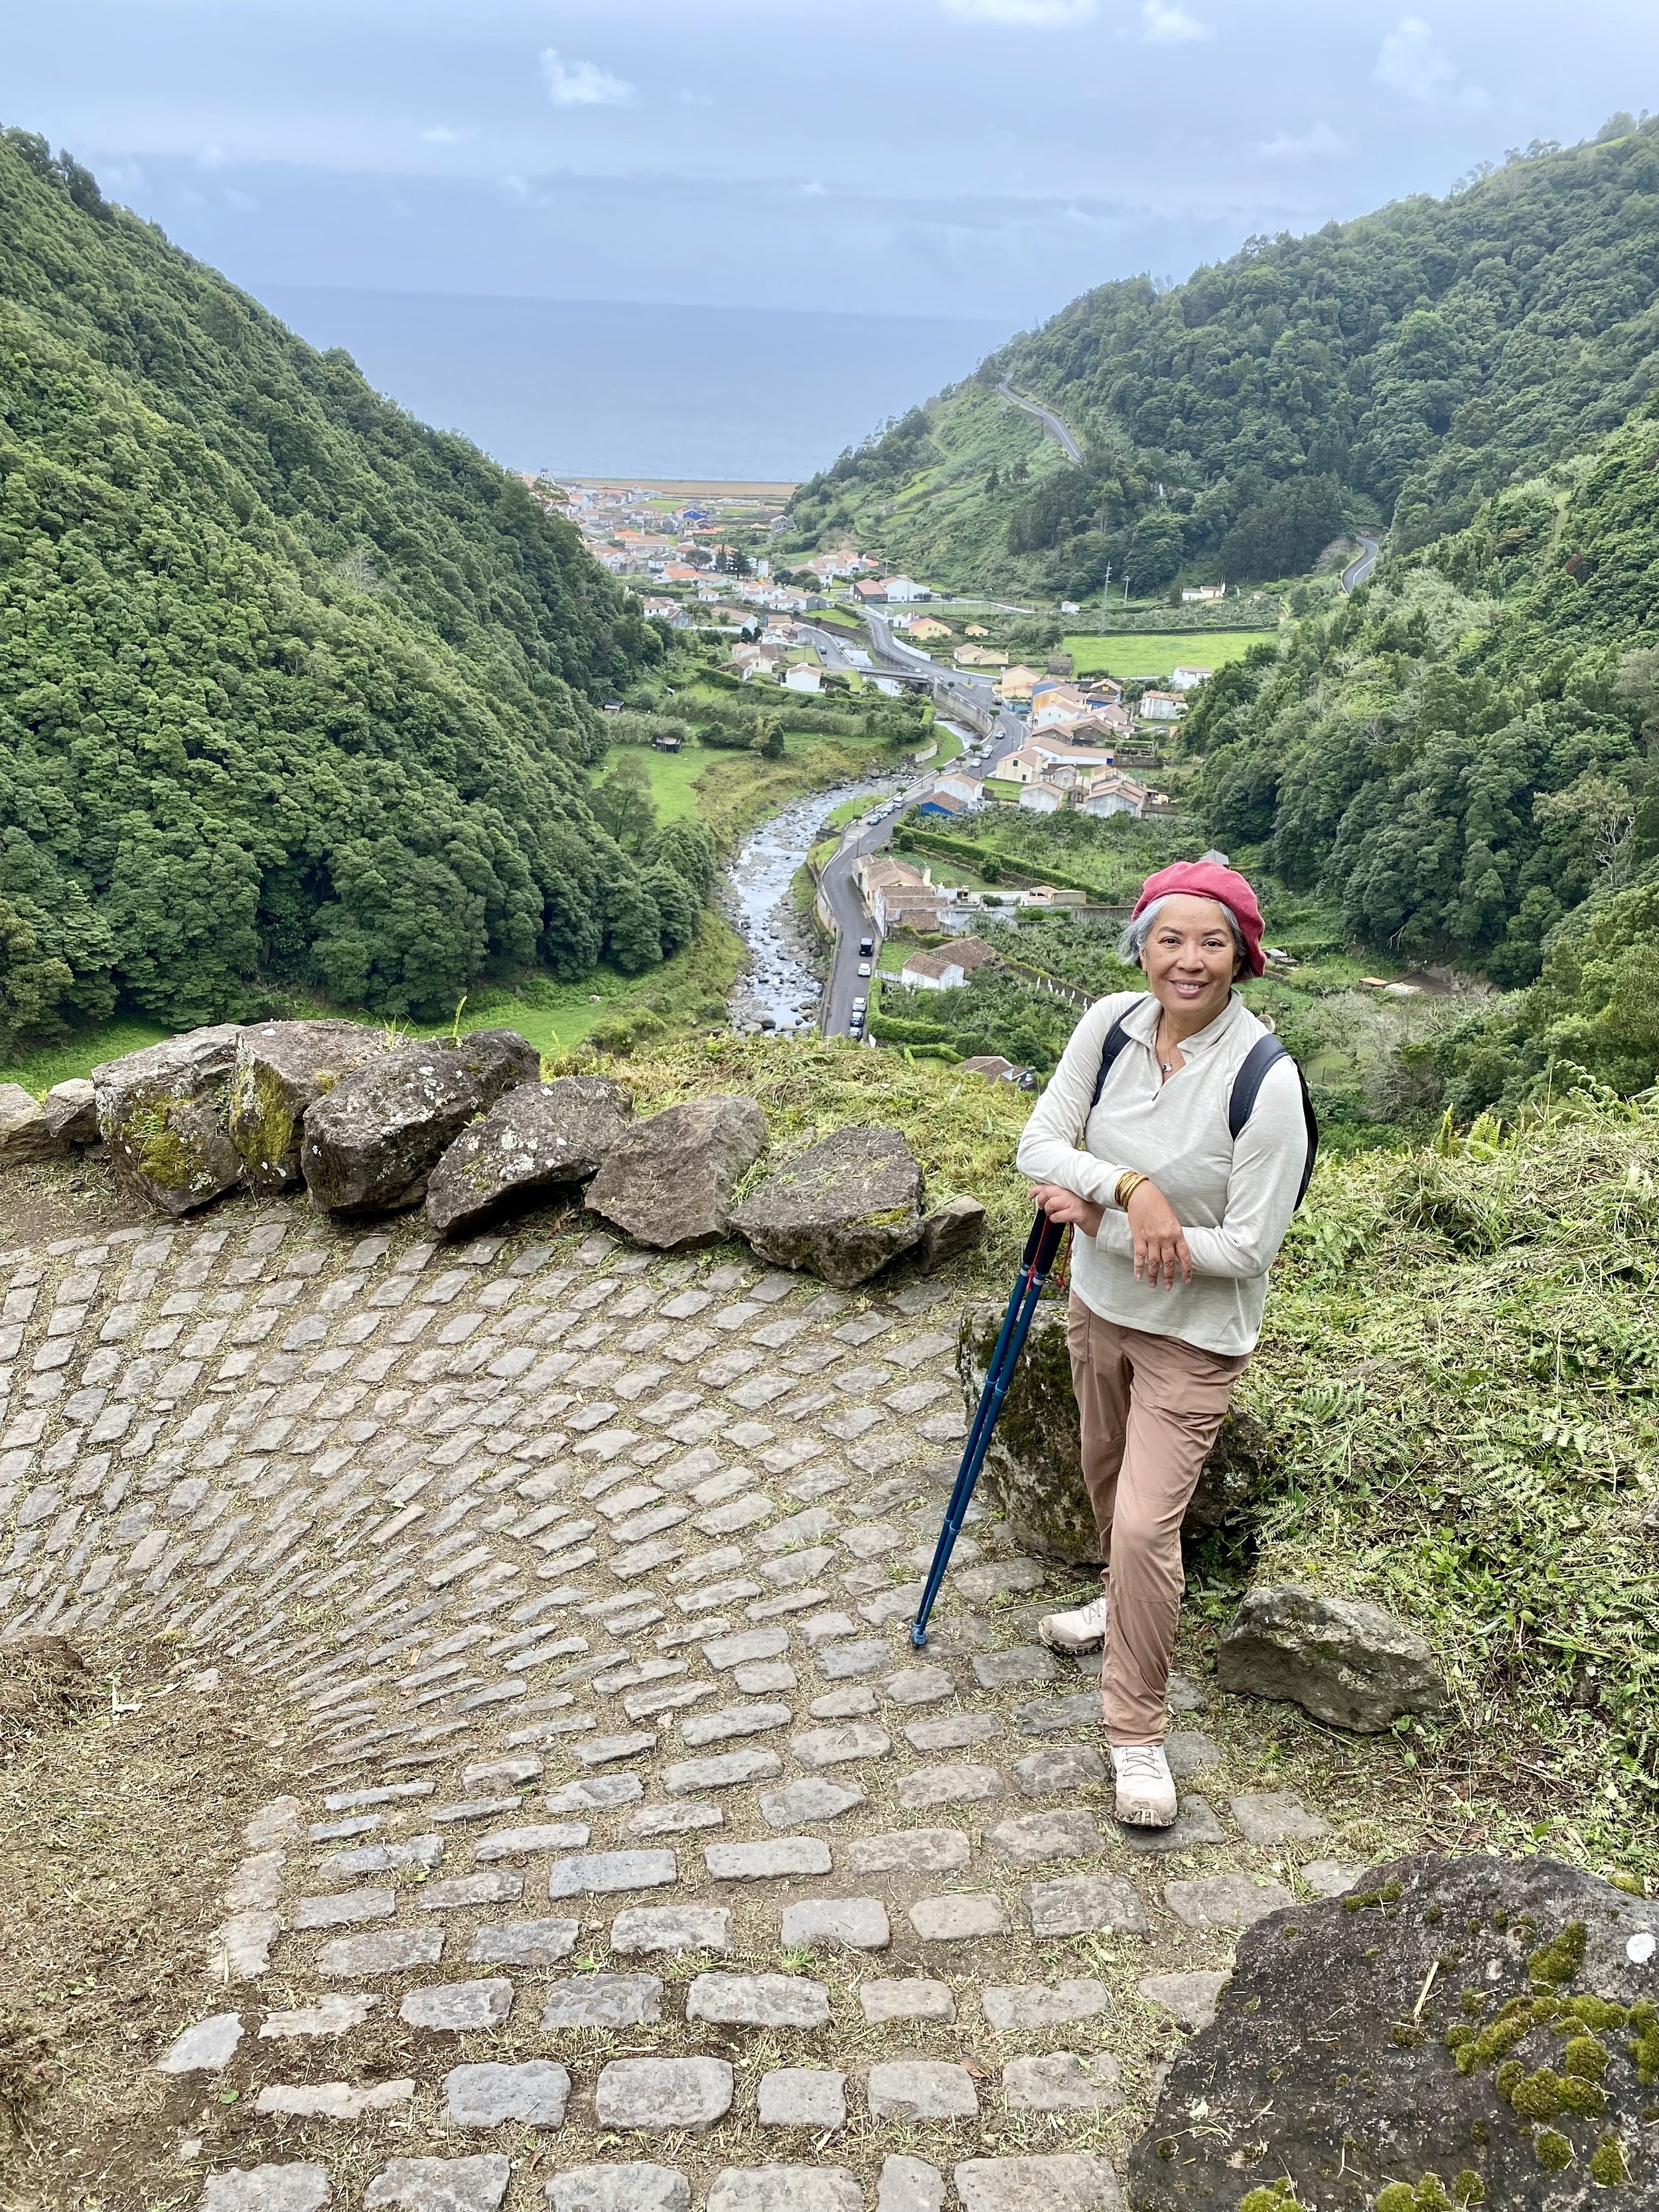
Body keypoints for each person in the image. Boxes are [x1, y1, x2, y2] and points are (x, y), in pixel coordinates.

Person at [1013, 857, 1309, 1828]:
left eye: (1212, 942)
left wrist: (1099, 1215)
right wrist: (1132, 1192)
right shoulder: (1108, 1025)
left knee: (1147, 1524)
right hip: (1098, 1308)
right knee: (1104, 1476)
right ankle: (1118, 1601)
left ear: (1243, 957)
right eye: (1169, 938)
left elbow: (1249, 1247)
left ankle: (1135, 1730)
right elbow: (1039, 1146)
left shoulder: (1265, 1080)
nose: (1189, 960)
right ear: (1141, 943)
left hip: (1192, 1338)